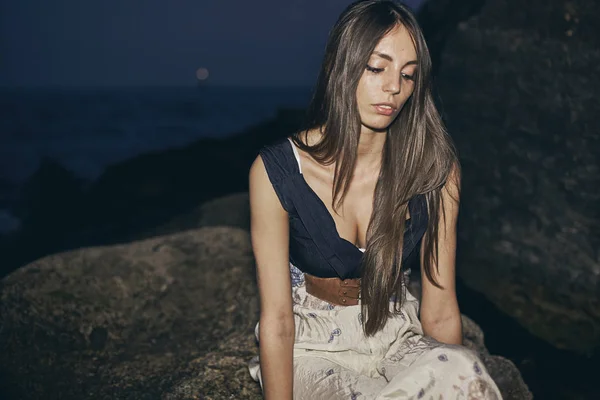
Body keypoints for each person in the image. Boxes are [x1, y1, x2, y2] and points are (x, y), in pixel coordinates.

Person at [247, 1, 502, 398]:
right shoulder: (277, 172)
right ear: (342, 65)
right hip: (315, 348)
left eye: (408, 75)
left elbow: (440, 307)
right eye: (376, 68)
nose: (394, 88)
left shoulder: (436, 171)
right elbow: (278, 319)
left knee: (465, 368)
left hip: (397, 333)